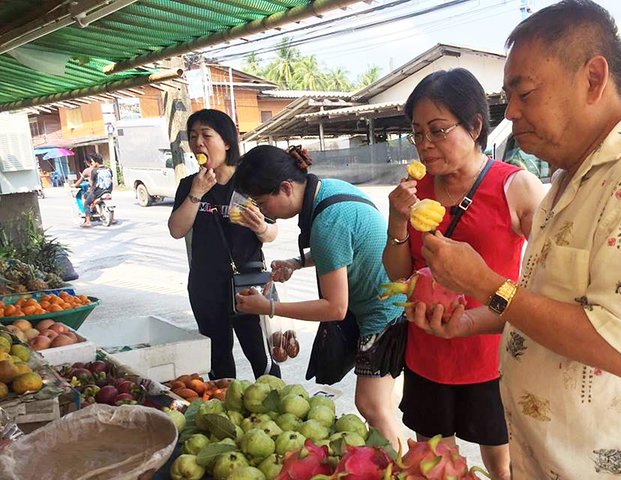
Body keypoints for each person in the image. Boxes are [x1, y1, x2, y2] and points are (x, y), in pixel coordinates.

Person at [410, 1, 621, 478]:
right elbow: (550, 308)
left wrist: (486, 283)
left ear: (593, 78)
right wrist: (469, 323)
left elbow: (620, 348)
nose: (510, 113)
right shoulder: (568, 183)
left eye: (525, 93)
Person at [383, 68, 544, 480]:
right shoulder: (412, 192)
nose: (425, 145)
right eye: (417, 133)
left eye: (438, 130)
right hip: (428, 350)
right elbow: (399, 275)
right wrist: (397, 222)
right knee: (434, 460)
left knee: (502, 462)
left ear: (474, 126)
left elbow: (548, 277)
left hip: (490, 356)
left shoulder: (516, 187)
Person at [233, 145, 404, 450]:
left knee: (371, 407)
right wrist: (297, 263)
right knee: (381, 405)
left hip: (383, 313)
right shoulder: (330, 190)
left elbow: (335, 308)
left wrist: (269, 306)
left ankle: (401, 469)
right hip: (390, 301)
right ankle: (391, 461)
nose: (263, 213)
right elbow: (345, 248)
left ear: (285, 188)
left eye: (262, 203)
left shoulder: (327, 222)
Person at [168, 109, 280, 380]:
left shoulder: (249, 182)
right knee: (218, 359)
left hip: (247, 284)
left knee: (261, 357)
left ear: (227, 142)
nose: (198, 143)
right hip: (205, 285)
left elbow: (272, 231)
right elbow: (176, 229)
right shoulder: (188, 185)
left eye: (207, 135)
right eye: (193, 136)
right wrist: (197, 193)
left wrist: (260, 227)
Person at [79, 153, 113, 227]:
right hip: (108, 191)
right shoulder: (109, 169)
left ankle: (88, 221)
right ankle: (112, 219)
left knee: (86, 203)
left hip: (97, 192)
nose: (92, 163)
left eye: (93, 162)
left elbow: (92, 184)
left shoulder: (94, 171)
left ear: (96, 162)